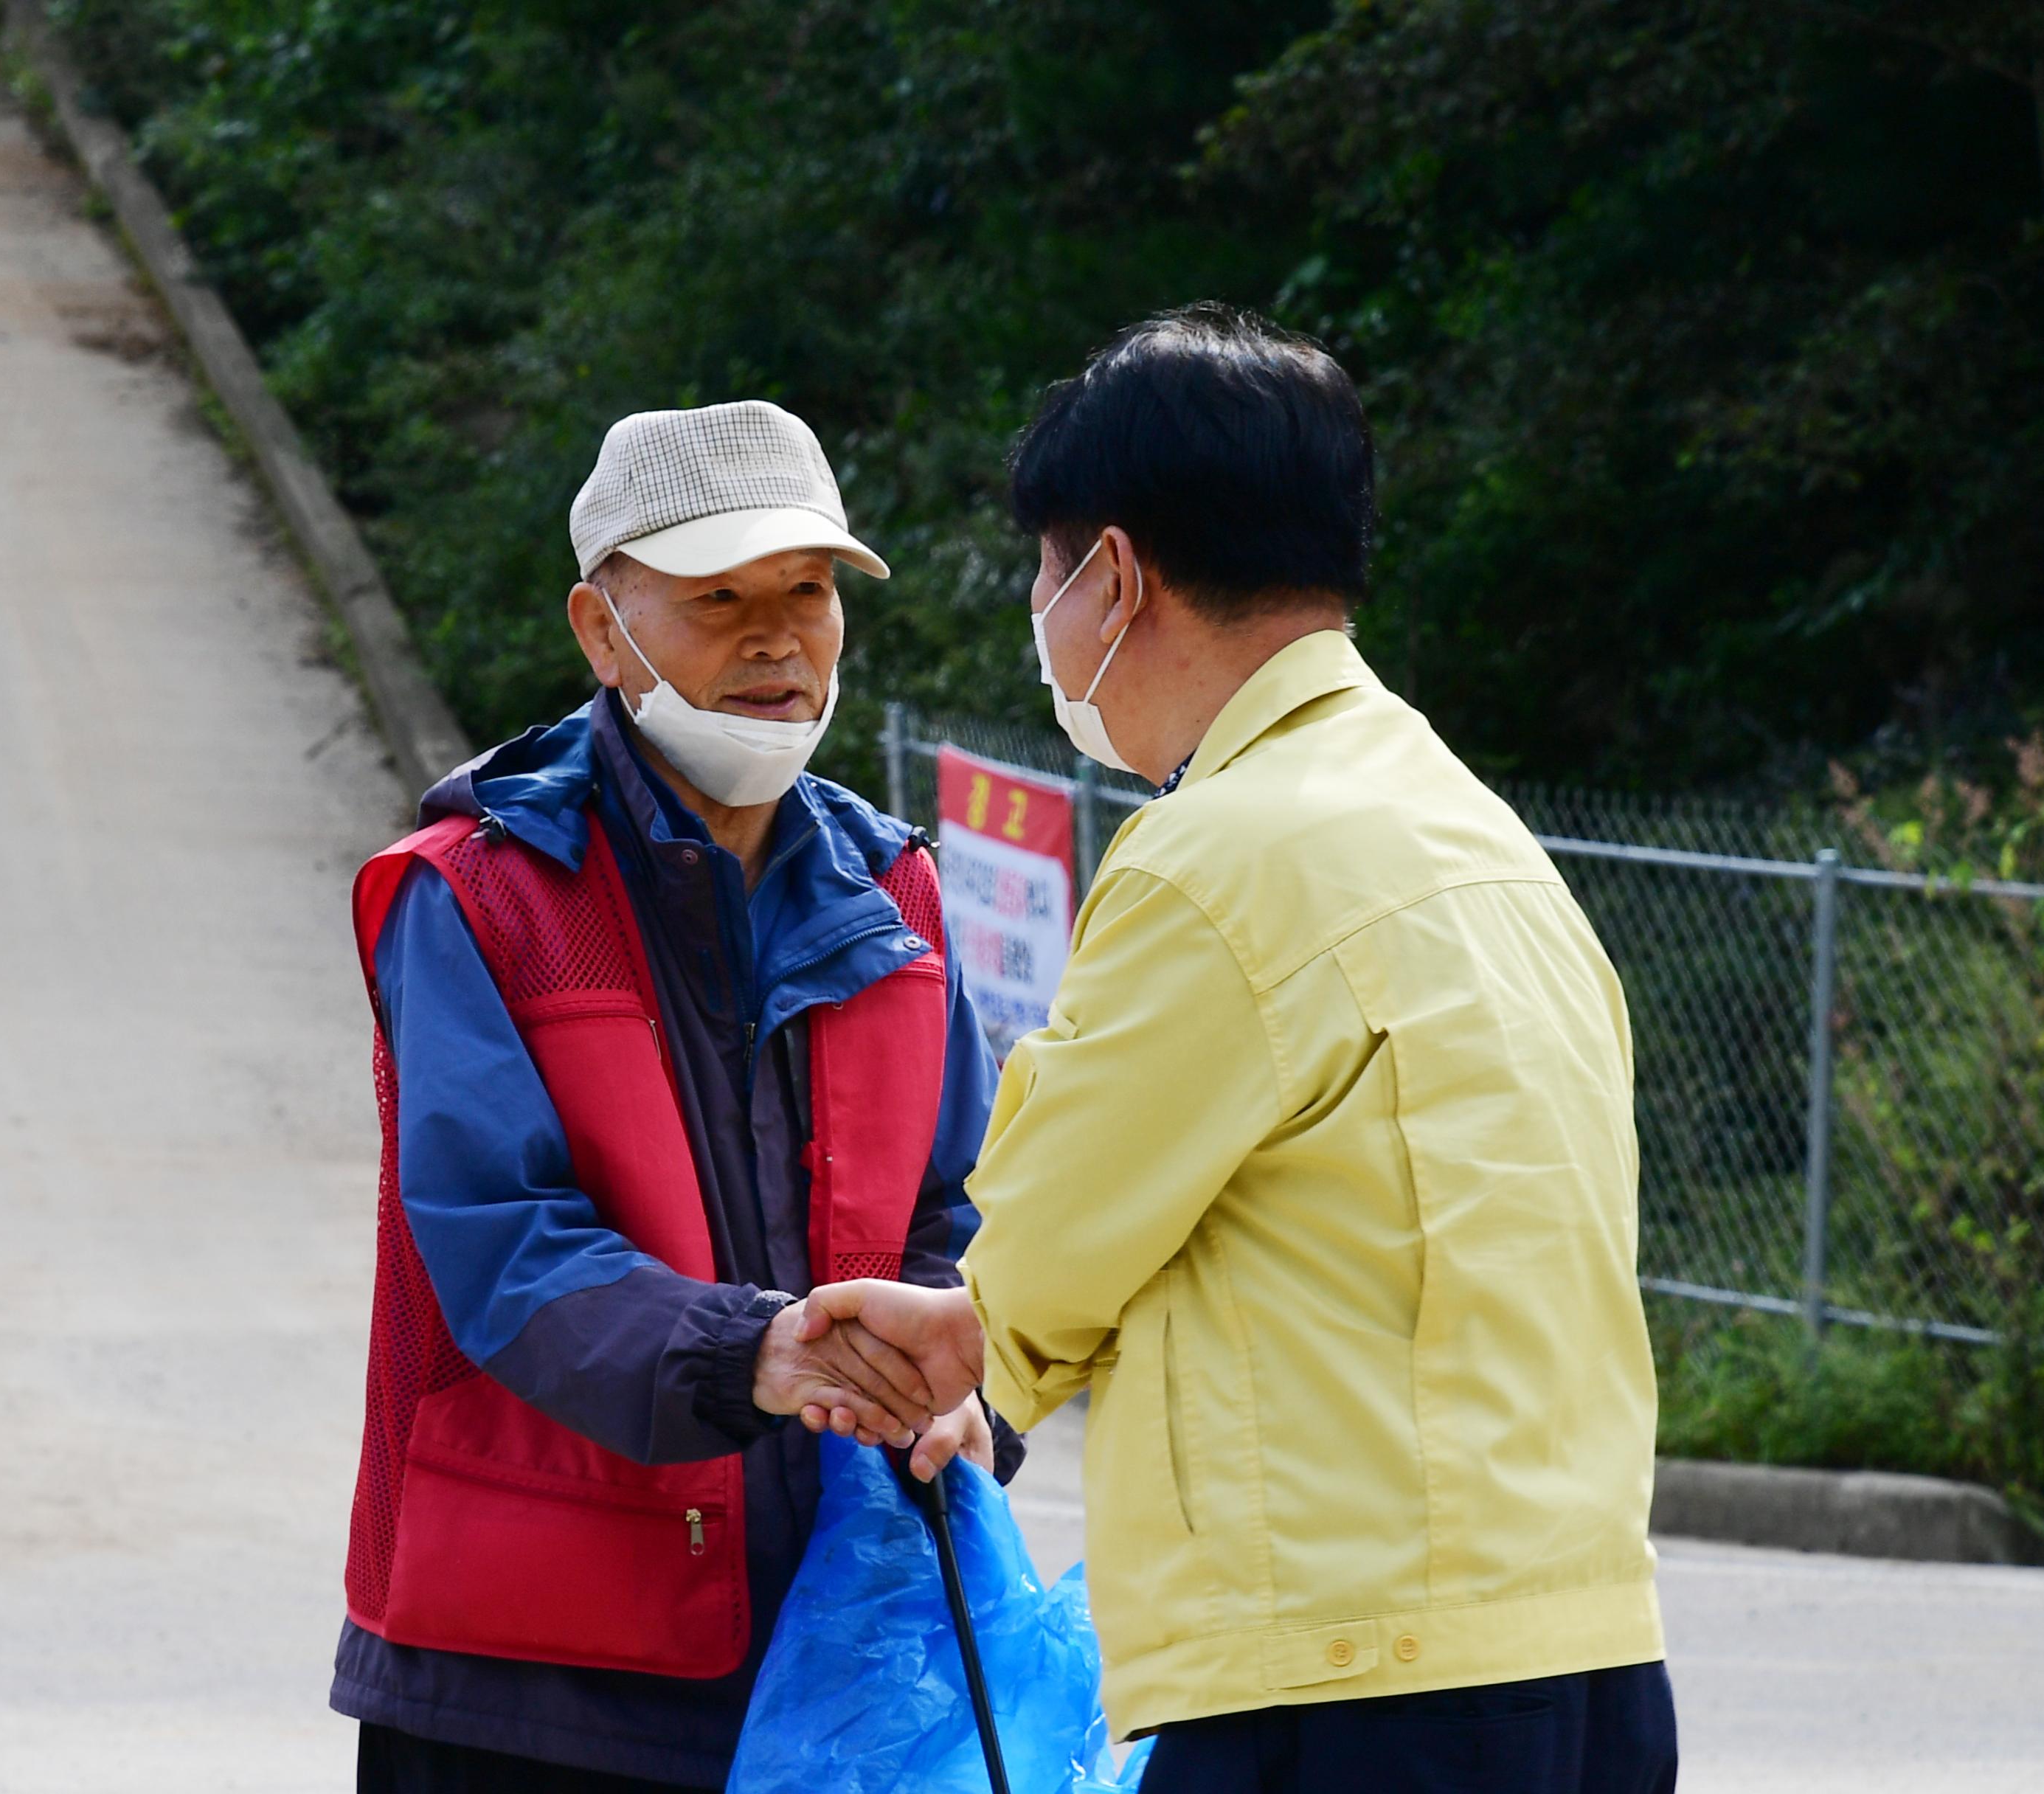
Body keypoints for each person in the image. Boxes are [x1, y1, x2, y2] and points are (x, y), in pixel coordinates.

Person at [800, 306, 1679, 1793]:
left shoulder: (1211, 859)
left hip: (1348, 1685)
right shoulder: (1485, 843)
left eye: (1045, 566)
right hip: (1585, 1653)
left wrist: (952, 1336)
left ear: (1118, 577)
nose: (1045, 611)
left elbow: (1056, 1238)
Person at [332, 399, 1019, 1791]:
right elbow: (500, 1238)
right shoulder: (479, 893)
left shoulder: (898, 895)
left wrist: (966, 1385)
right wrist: (751, 1353)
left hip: (827, 1649)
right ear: (603, 626)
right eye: (719, 596)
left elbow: (966, 1211)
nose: (778, 638)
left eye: (810, 591)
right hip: (521, 1677)